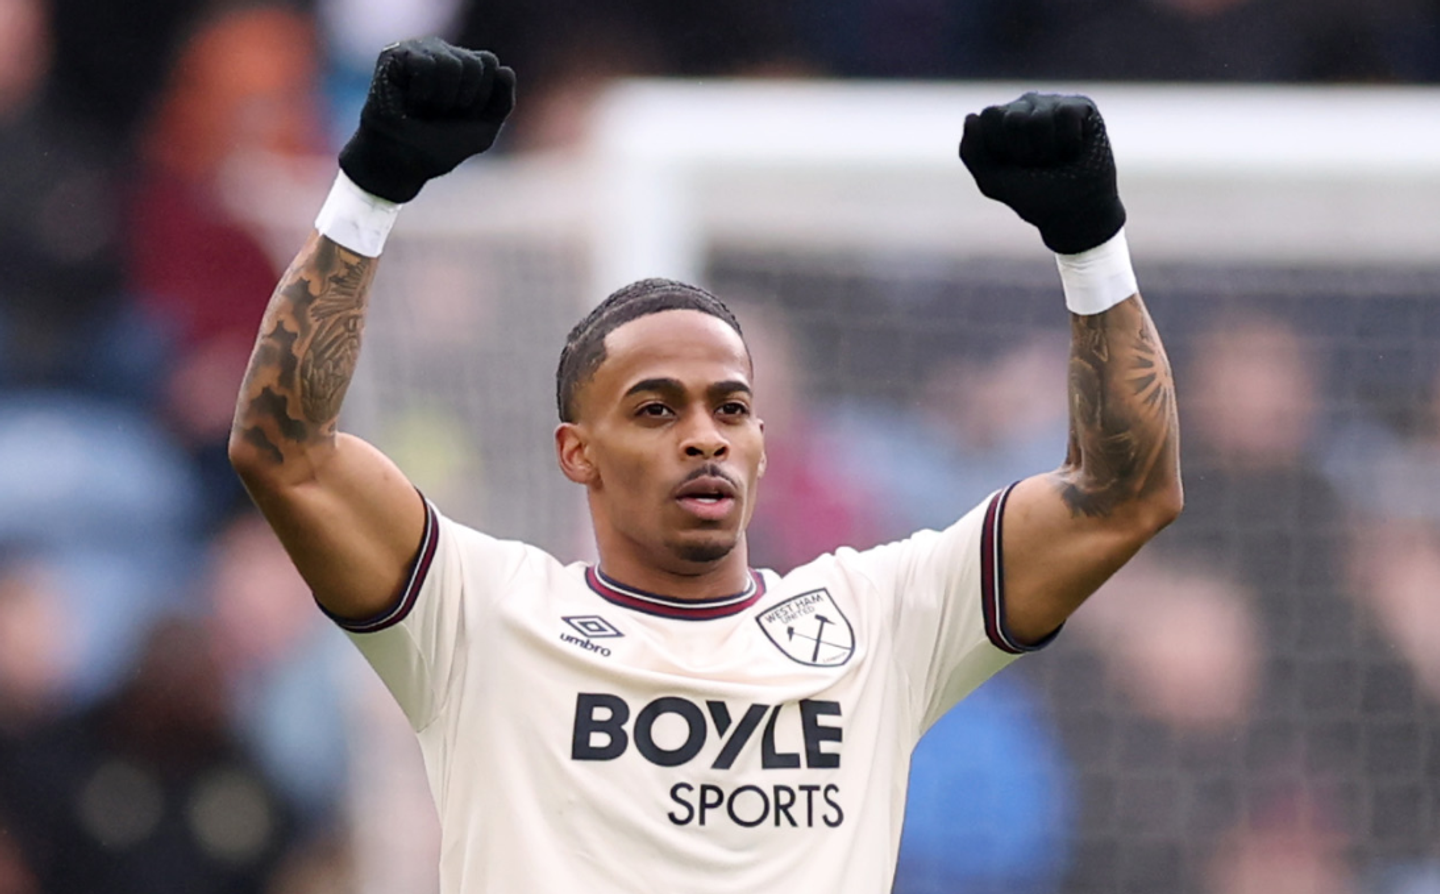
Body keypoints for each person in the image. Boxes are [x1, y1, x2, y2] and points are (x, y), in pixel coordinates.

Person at [228, 37, 1182, 893]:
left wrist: (1091, 245)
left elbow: (1122, 498)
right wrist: (369, 195)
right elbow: (286, 453)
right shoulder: (481, 613)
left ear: (763, 444)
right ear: (577, 453)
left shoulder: (879, 621)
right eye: (656, 408)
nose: (704, 434)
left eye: (732, 407)